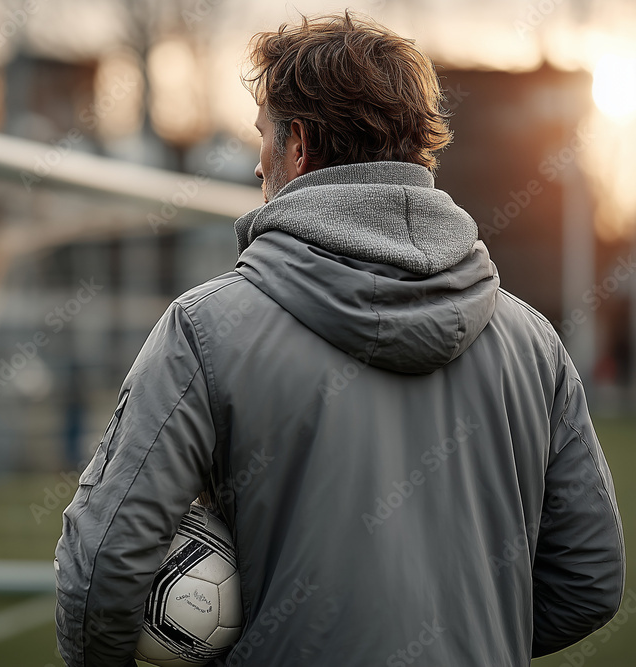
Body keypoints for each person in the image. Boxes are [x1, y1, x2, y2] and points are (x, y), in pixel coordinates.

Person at [54, 12, 625, 667]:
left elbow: (102, 572)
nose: (258, 164)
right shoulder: (534, 343)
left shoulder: (205, 329)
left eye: (263, 135)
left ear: (297, 144)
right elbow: (588, 579)